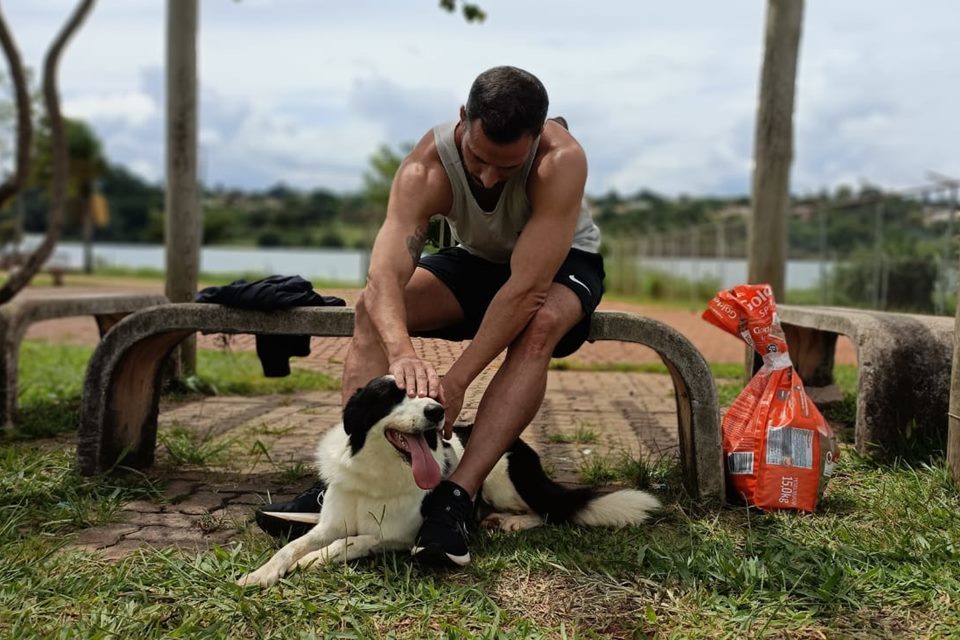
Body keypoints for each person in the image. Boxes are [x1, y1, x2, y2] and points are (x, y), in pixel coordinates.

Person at [259, 65, 604, 567]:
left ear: (537, 138)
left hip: (560, 265)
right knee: (371, 309)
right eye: (479, 159)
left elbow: (525, 290)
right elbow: (383, 278)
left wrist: (458, 378)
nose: (488, 177)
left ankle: (457, 497)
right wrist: (401, 351)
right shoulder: (427, 167)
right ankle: (343, 477)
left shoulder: (561, 160)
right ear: (464, 119)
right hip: (478, 260)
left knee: (541, 324)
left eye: (507, 169)